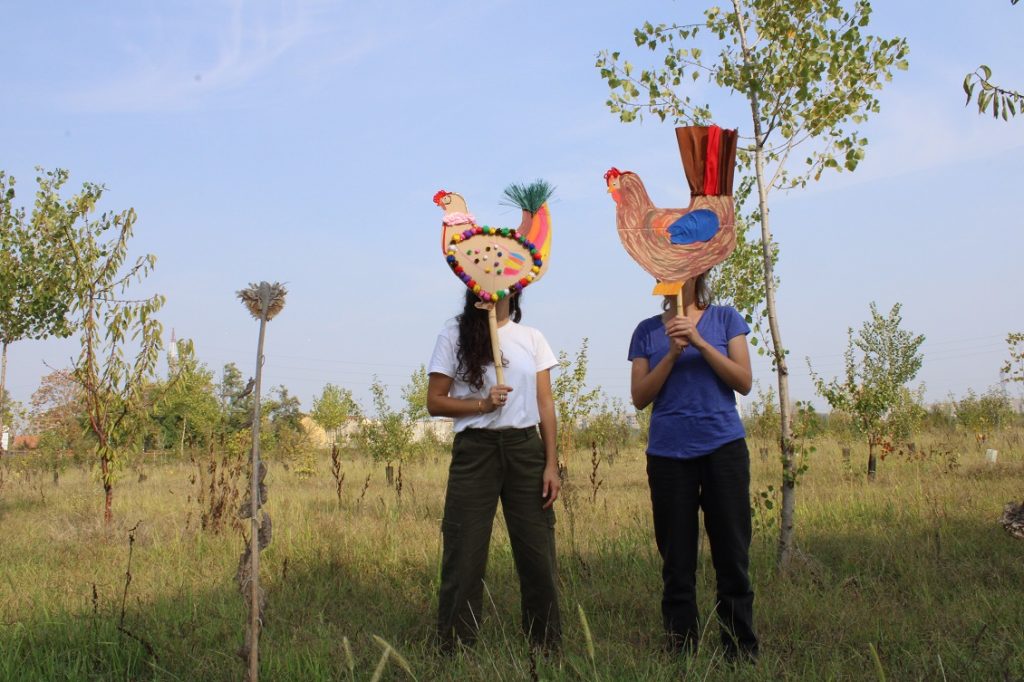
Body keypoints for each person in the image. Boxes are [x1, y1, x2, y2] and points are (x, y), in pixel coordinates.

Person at [627, 273, 758, 660]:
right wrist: (670, 353)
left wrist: (699, 342)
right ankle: (681, 652)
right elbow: (639, 397)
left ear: (697, 270)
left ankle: (740, 652)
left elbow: (744, 381)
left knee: (732, 556)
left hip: (723, 449)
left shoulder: (725, 319)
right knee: (677, 561)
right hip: (669, 455)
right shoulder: (646, 331)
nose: (666, 273)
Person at [427, 289, 562, 652]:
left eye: (508, 280)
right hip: (476, 451)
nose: (500, 285)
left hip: (525, 449)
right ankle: (455, 648)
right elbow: (434, 401)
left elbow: (545, 403)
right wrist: (482, 404)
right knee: (464, 550)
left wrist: (551, 463)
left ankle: (544, 646)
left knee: (537, 552)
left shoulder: (532, 338)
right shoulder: (454, 333)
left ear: (517, 288)